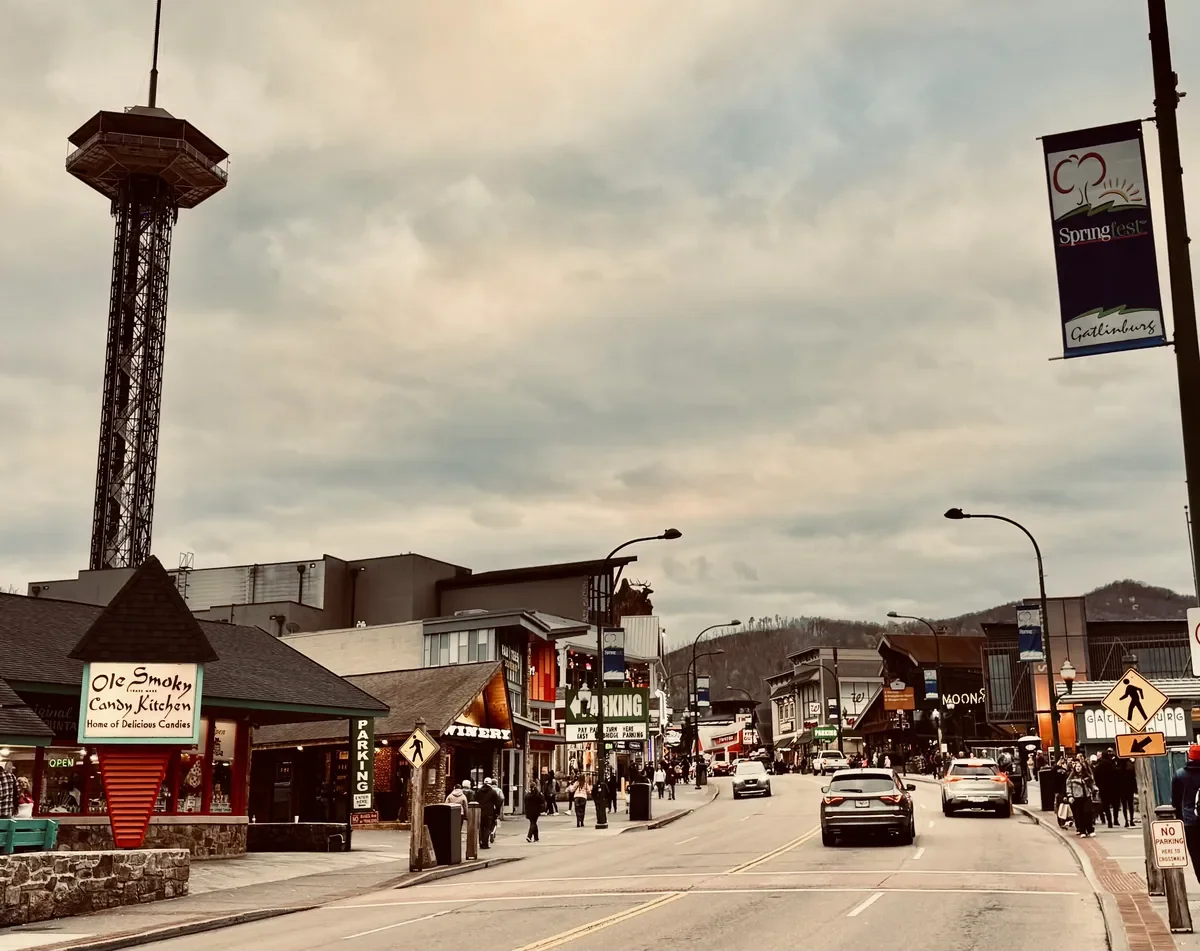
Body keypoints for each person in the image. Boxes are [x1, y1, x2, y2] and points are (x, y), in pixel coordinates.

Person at [1173, 744, 1200, 881]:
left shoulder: (1180, 775)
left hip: (1190, 822)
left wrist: (1179, 820)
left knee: (1196, 856)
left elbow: (1176, 802)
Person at [1067, 760, 1097, 838]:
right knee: (1080, 815)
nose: (1078, 768)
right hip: (1077, 797)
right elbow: (1068, 787)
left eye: (1079, 766)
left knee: (1088, 813)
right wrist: (1070, 796)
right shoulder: (1071, 778)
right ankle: (1082, 830)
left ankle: (1090, 830)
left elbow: (1092, 785)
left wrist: (1095, 789)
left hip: (1086, 797)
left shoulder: (1086, 777)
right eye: (1077, 767)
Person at [1093, 749, 1118, 829]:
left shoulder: (1098, 766)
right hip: (1113, 787)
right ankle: (1115, 819)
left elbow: (1095, 777)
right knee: (1115, 805)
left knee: (1106, 805)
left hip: (1103, 788)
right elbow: (1117, 776)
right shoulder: (1112, 764)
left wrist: (1098, 785)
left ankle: (1109, 821)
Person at [1117, 757, 1138, 827]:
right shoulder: (1130, 769)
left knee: (1124, 806)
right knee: (1130, 805)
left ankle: (1126, 821)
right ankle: (1131, 820)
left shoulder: (1118, 771)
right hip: (1129, 789)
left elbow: (1117, 782)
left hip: (1122, 790)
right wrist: (1135, 789)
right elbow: (1133, 780)